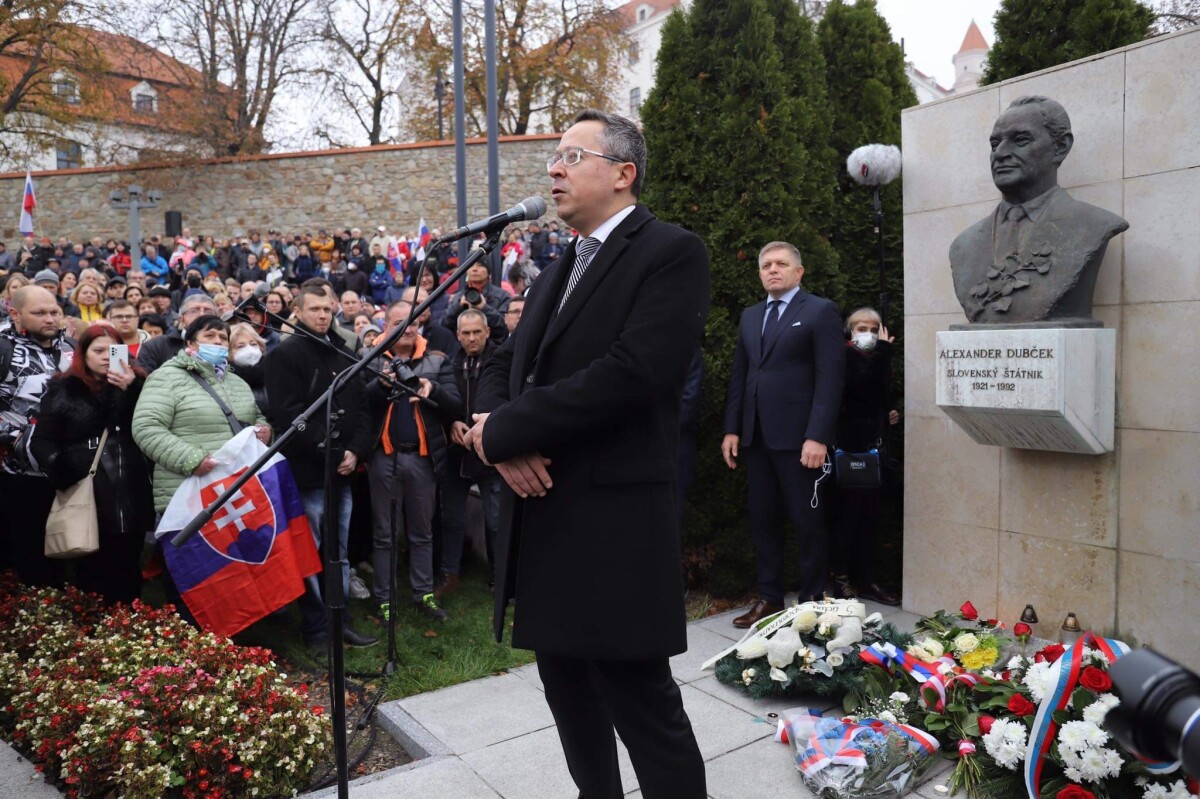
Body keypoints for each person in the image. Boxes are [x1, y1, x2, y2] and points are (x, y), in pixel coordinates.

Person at [462, 109, 707, 798]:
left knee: (643, 705)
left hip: (613, 527)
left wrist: (507, 433)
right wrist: (492, 433)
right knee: (567, 692)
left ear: (624, 173)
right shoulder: (560, 262)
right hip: (546, 522)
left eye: (573, 154)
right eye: (554, 154)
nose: (554, 168)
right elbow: (504, 363)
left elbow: (633, 373)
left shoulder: (669, 251)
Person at [722, 241, 845, 628]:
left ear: (799, 271)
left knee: (807, 523)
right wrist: (732, 429)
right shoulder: (750, 315)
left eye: (781, 264)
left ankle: (810, 601)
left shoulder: (820, 311)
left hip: (800, 441)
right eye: (766, 265)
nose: (773, 270)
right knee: (763, 520)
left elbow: (830, 379)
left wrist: (817, 436)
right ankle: (770, 598)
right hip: (756, 438)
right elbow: (741, 375)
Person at [132, 315, 271, 621]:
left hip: (230, 493)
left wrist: (263, 430)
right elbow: (146, 427)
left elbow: (256, 415)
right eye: (211, 337)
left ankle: (230, 638)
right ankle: (192, 640)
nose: (219, 343)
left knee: (226, 566)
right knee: (192, 572)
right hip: (186, 492)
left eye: (224, 338)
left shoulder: (235, 380)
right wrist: (191, 459)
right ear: (190, 343)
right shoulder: (167, 377)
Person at [263, 286, 377, 649]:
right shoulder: (285, 355)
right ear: (297, 311)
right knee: (311, 551)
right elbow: (288, 413)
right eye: (315, 309)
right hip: (308, 473)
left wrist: (355, 451)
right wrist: (331, 450)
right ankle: (316, 625)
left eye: (327, 309)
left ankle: (339, 620)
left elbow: (360, 407)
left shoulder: (343, 352)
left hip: (341, 472)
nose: (323, 315)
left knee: (338, 552)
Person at [950, 95, 1129, 324]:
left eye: (1021, 140)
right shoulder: (963, 245)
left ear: (1060, 147)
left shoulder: (1093, 226)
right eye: (995, 144)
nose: (1000, 153)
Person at [31, 322, 154, 605]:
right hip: (87, 486)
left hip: (131, 484)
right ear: (83, 354)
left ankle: (128, 626)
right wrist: (64, 466)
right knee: (90, 564)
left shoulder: (142, 385)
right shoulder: (64, 388)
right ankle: (89, 625)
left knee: (129, 558)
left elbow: (150, 426)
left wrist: (132, 390)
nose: (105, 356)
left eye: (113, 350)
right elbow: (42, 441)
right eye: (98, 350)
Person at [366, 300, 460, 621]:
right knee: (384, 534)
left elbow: (455, 406)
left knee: (422, 532)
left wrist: (431, 391)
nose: (407, 329)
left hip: (422, 458)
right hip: (383, 457)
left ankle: (424, 595)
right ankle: (385, 598)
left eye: (412, 323)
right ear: (386, 326)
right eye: (399, 323)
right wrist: (380, 386)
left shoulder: (435, 360)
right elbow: (358, 402)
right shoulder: (370, 359)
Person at [0, 286, 73, 586]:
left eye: (54, 312)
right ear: (15, 314)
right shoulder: (3, 347)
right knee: (23, 556)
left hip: (66, 471)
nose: (50, 319)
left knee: (63, 556)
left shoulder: (73, 348)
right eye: (39, 313)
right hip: (13, 474)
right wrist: (14, 438)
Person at [827, 308, 901, 606]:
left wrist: (888, 414)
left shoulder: (880, 358)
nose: (867, 333)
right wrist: (883, 350)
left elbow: (878, 395)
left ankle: (867, 579)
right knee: (846, 518)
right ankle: (840, 578)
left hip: (875, 449)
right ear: (850, 331)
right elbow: (857, 388)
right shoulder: (845, 357)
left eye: (873, 328)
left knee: (870, 519)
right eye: (861, 328)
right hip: (849, 448)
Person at [439, 308, 502, 595]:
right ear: (458, 335)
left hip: (492, 450)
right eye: (466, 333)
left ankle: (500, 578)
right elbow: (443, 403)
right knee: (451, 517)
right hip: (456, 452)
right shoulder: (450, 364)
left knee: (496, 518)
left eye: (477, 331)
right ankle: (450, 574)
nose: (472, 338)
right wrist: (450, 422)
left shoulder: (501, 362)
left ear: (488, 331)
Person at [134, 293, 218, 373]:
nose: (201, 315)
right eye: (194, 311)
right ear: (181, 319)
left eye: (208, 311)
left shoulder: (222, 347)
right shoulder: (156, 346)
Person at [442, 261, 511, 343]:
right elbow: (444, 325)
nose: (474, 269)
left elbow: (505, 327)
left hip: (494, 349)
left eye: (480, 266)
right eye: (471, 265)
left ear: (488, 271)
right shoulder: (457, 297)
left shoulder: (502, 296)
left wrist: (484, 308)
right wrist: (458, 307)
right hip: (463, 349)